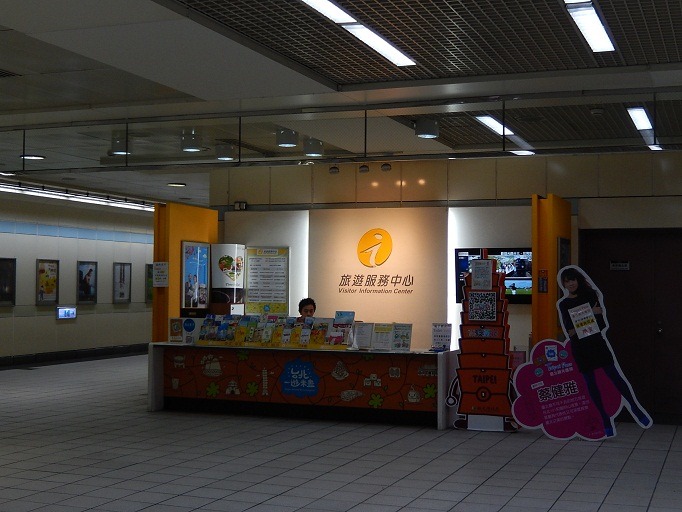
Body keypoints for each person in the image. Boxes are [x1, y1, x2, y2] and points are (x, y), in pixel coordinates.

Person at [557, 266, 651, 437]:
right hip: (581, 349)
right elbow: (570, 332)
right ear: (563, 284)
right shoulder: (564, 304)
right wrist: (589, 313)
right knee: (591, 384)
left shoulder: (590, 295)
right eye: (567, 281)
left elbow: (600, 324)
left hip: (597, 343)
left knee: (615, 377)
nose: (571, 284)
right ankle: (605, 419)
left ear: (578, 280)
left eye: (573, 280)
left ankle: (635, 408)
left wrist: (579, 320)